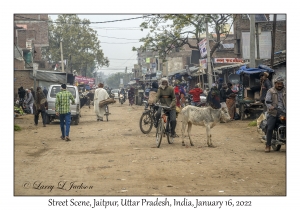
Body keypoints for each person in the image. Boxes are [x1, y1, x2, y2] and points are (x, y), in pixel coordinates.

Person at [264, 77, 286, 152]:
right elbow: (267, 101)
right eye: (278, 84)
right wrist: (270, 107)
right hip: (273, 112)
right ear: (275, 84)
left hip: (284, 112)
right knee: (270, 128)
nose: (280, 85)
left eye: (281, 83)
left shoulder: (286, 90)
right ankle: (268, 145)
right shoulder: (270, 91)